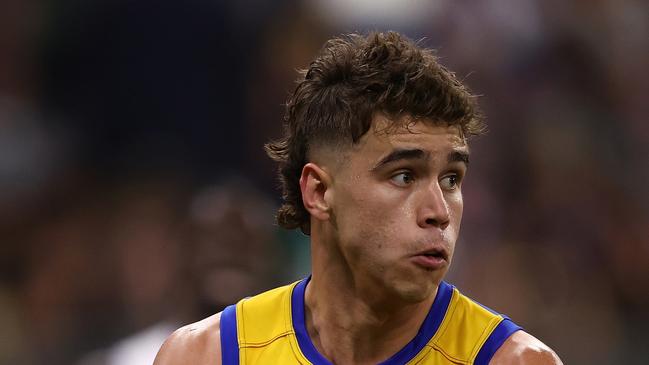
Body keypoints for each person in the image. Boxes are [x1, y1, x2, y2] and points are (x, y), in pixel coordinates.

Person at [154, 31, 563, 365]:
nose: (439, 212)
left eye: (452, 179)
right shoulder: (207, 356)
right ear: (318, 192)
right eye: (404, 175)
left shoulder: (512, 361)